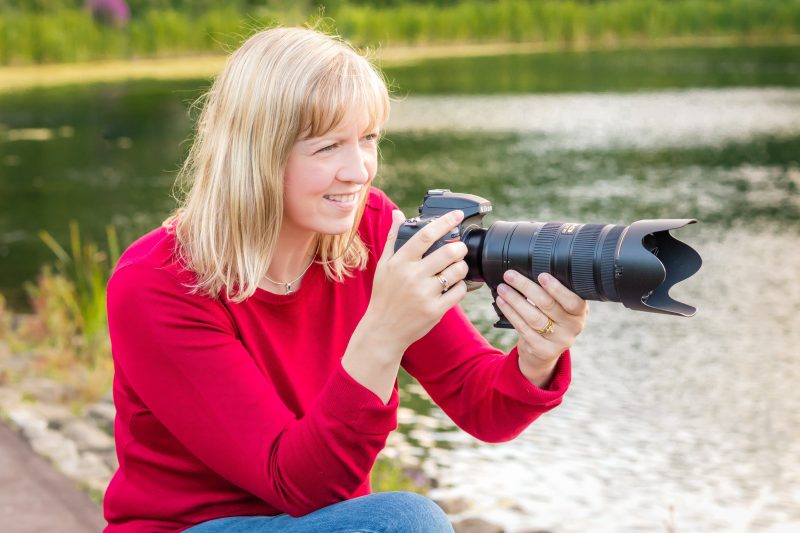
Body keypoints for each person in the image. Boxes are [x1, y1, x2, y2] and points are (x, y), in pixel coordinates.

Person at [103, 26, 589, 532]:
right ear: (257, 155)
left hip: (327, 520)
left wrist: (537, 356)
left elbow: (482, 406)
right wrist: (383, 332)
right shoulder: (156, 283)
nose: (359, 171)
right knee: (408, 519)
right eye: (328, 146)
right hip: (194, 526)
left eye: (368, 139)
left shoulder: (372, 228)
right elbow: (292, 484)